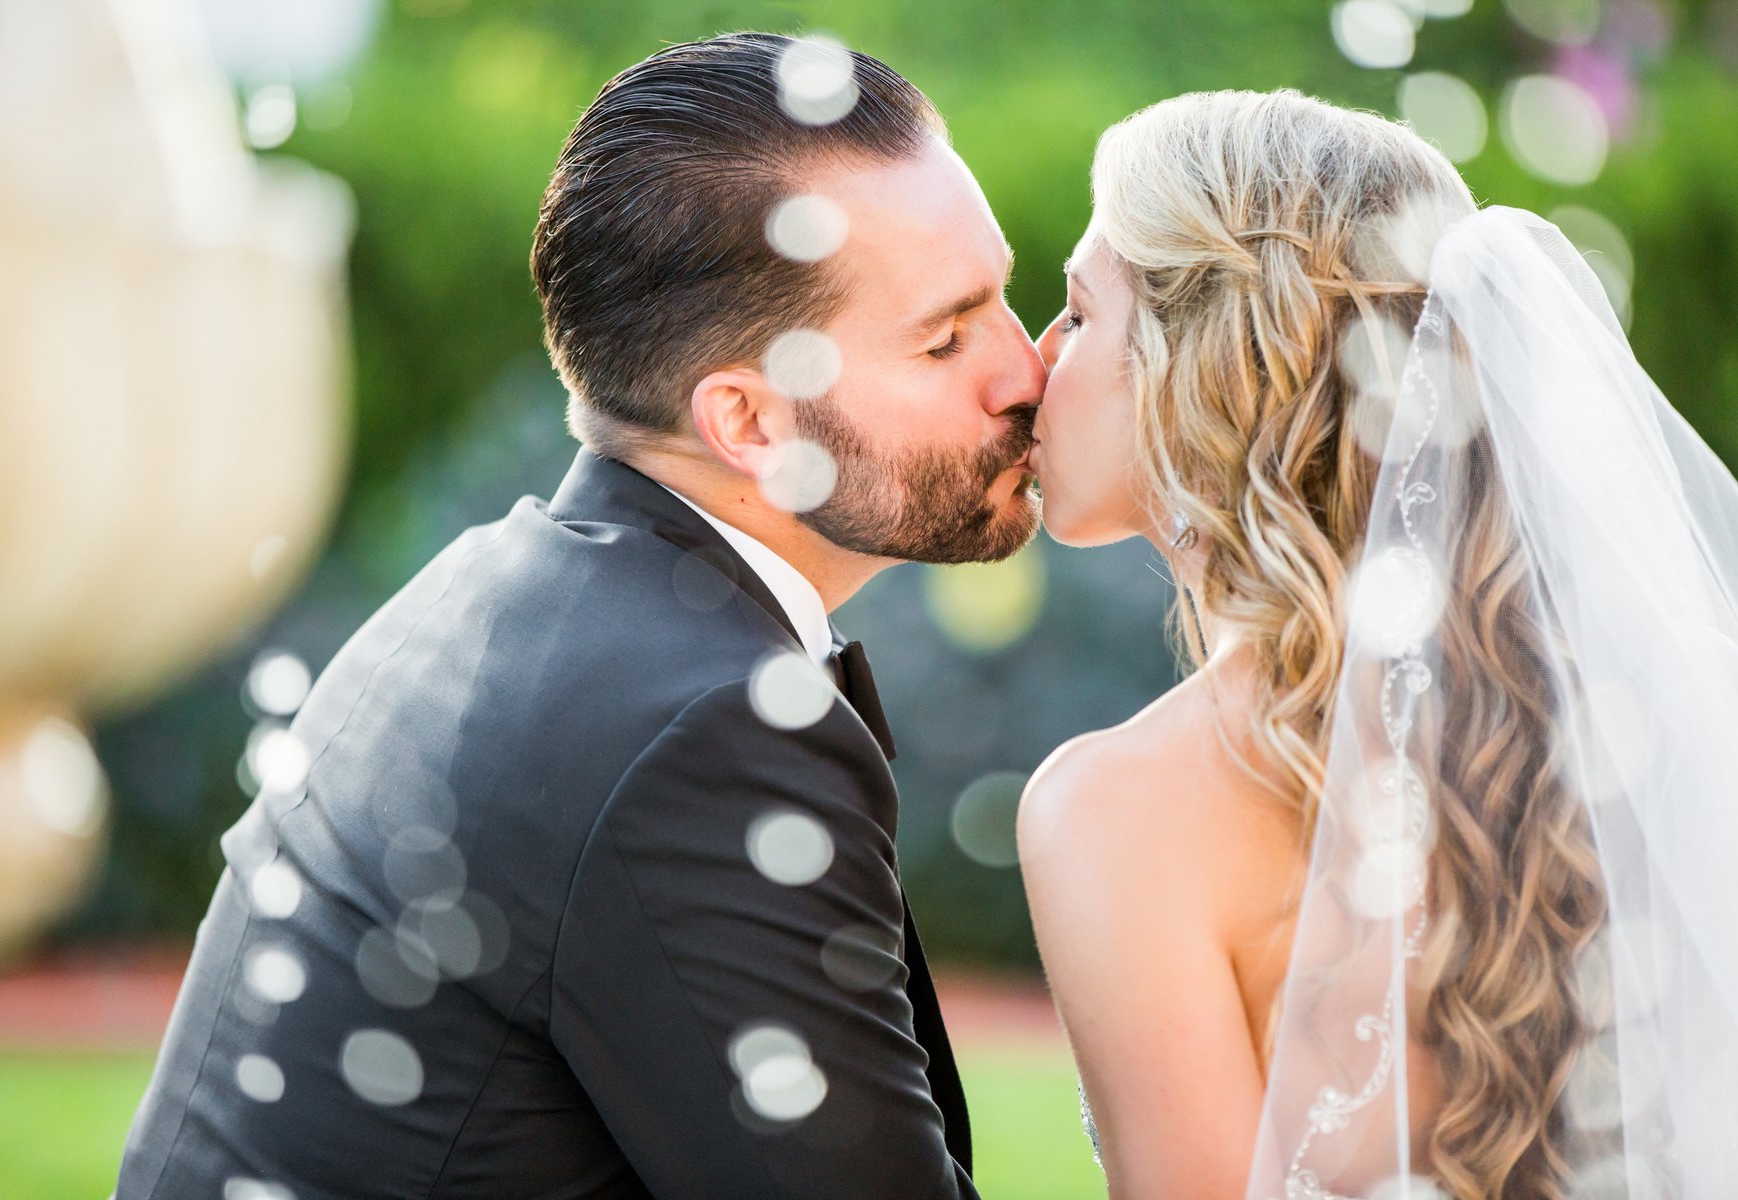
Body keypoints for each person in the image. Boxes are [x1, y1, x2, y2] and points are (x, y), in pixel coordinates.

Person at [116, 33, 1044, 1200]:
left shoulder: (487, 595)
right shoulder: (704, 731)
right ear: (750, 424)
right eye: (946, 337)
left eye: (1005, 296)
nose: (1026, 371)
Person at [1020, 88, 1738, 1198]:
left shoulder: (1115, 809)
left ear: (1208, 361)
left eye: (1076, 314)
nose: (1034, 357)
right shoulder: (1611, 745)